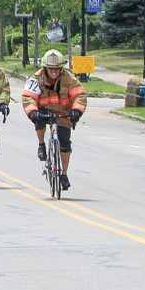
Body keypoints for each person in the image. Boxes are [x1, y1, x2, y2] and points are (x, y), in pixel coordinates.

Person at [21, 49, 87, 191]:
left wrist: (76, 111)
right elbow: (28, 96)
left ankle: (63, 174)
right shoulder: (36, 78)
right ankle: (41, 145)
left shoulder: (69, 78)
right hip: (44, 110)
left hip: (63, 112)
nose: (54, 72)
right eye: (51, 69)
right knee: (38, 120)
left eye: (57, 69)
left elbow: (79, 94)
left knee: (65, 143)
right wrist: (33, 112)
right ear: (45, 68)